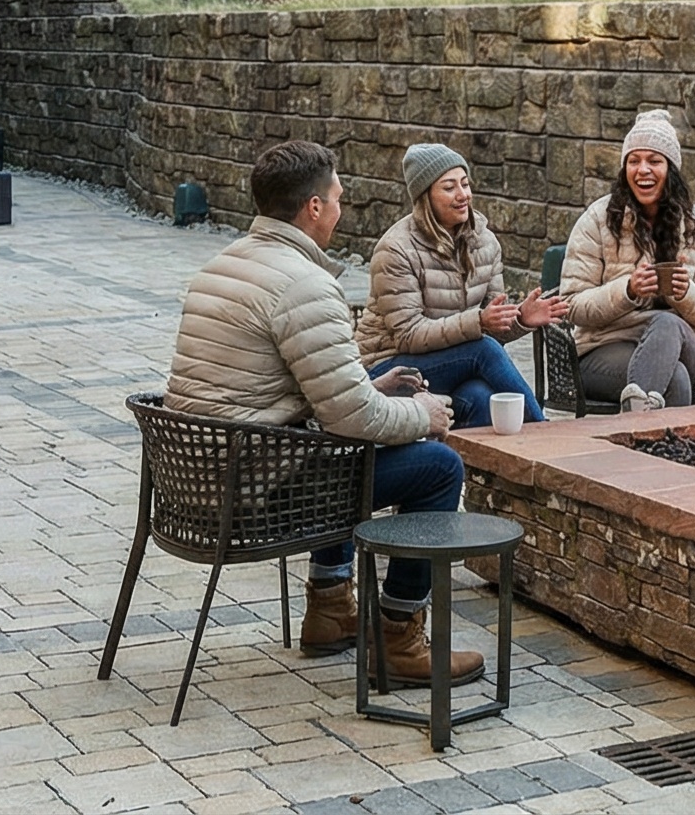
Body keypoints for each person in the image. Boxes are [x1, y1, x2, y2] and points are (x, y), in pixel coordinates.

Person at [163, 140, 483, 686]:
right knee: (437, 466)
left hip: (192, 485)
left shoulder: (224, 263)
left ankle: (332, 609)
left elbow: (286, 390)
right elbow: (351, 420)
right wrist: (423, 415)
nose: (341, 207)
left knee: (337, 452)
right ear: (313, 208)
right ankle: (400, 638)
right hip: (248, 497)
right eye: (337, 197)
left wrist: (372, 384)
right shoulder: (305, 285)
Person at [361, 142, 564, 428]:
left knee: (481, 396)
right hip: (390, 367)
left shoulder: (485, 242)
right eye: (449, 187)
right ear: (425, 195)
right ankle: (543, 433)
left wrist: (520, 318)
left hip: (452, 362)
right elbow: (408, 335)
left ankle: (479, 470)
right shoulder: (396, 249)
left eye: (465, 184)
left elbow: (491, 325)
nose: (463, 195)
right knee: (483, 349)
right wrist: (478, 323)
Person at [555, 110, 695, 413]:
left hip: (681, 345)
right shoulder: (598, 219)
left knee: (668, 321)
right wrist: (628, 291)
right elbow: (572, 305)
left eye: (654, 161)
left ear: (670, 169)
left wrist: (686, 294)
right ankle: (653, 446)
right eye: (634, 161)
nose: (643, 170)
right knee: (676, 382)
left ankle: (629, 436)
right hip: (603, 349)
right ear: (624, 169)